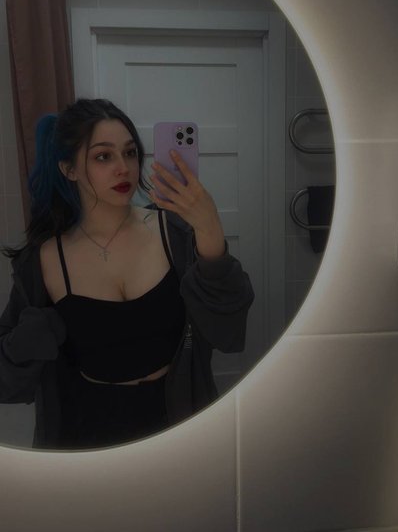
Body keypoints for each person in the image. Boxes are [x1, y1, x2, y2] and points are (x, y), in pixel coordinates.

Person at [0, 98, 254, 450]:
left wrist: (210, 229)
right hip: (86, 435)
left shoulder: (173, 231)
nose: (124, 168)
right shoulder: (43, 260)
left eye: (130, 153)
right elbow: (7, 374)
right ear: (69, 169)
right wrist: (34, 336)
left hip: (179, 419)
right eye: (103, 156)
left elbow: (229, 328)